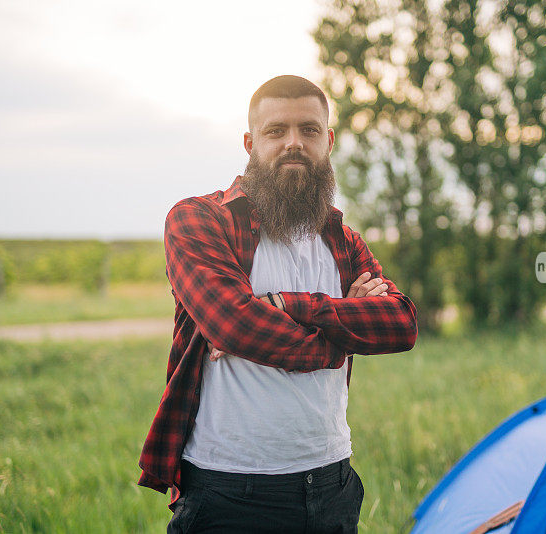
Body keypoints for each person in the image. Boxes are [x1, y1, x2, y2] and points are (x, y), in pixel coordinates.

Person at [137, 74, 418, 533]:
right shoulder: (199, 220)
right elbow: (236, 326)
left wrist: (284, 304)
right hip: (228, 489)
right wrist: (339, 337)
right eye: (276, 131)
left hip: (332, 483)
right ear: (250, 143)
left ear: (327, 141)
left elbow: (400, 325)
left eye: (309, 131)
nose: (294, 143)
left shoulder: (343, 241)